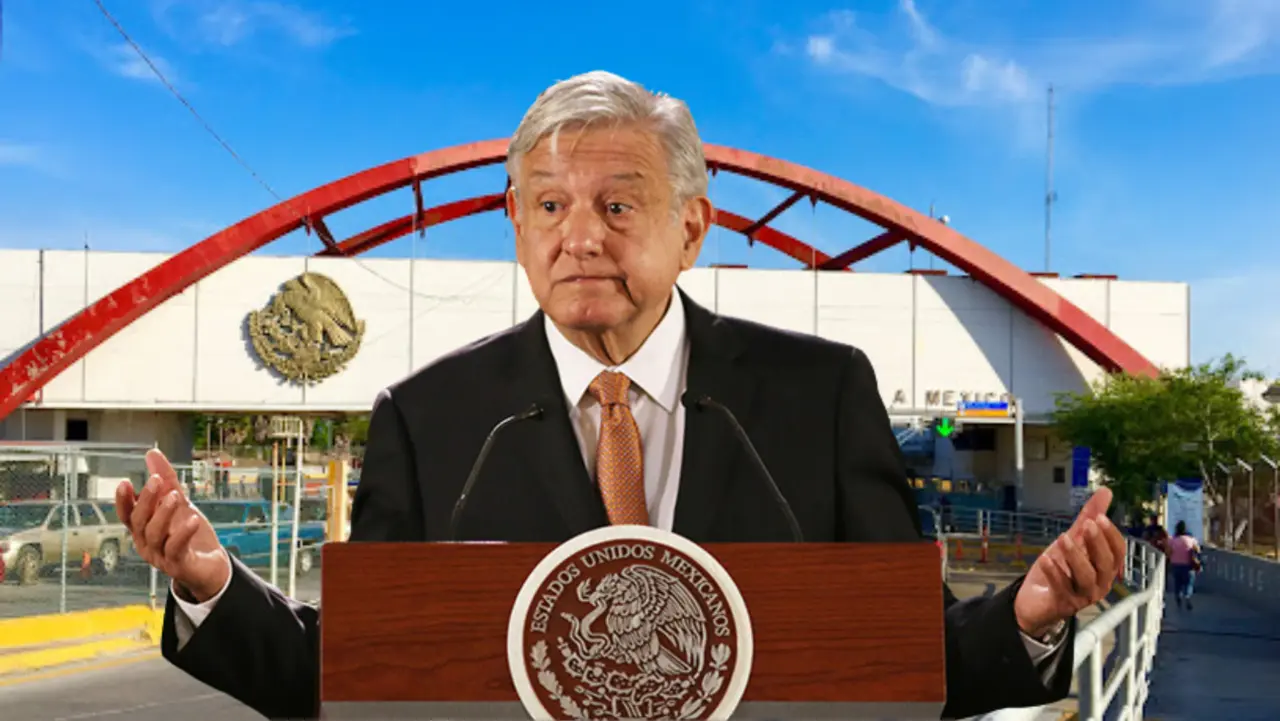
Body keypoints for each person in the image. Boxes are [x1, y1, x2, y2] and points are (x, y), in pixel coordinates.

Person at [116, 71, 1126, 721]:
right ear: (515, 225)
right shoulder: (431, 420)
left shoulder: (814, 396)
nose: (579, 235)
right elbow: (357, 675)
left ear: (691, 227)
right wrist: (210, 583)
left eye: (616, 203)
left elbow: (901, 658)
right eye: (548, 206)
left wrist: (1028, 612)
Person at [1167, 520, 1201, 609]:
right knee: (1189, 583)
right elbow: (1198, 550)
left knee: (1177, 583)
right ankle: (1187, 596)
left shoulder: (1172, 540)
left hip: (1175, 565)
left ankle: (1178, 596)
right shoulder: (1191, 540)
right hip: (1188, 566)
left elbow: (1168, 552)